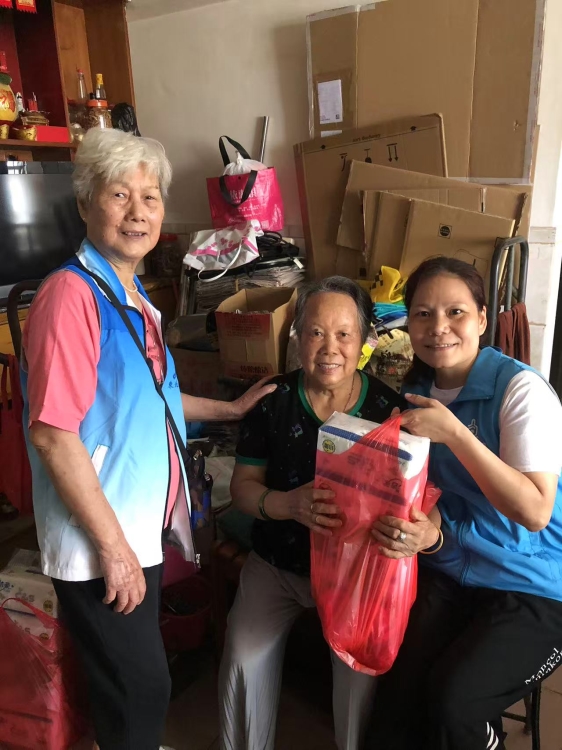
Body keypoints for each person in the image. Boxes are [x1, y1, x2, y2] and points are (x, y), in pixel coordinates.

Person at [20, 128, 274, 750]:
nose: (138, 211)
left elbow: (152, 398)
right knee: (141, 687)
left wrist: (230, 407)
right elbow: (53, 434)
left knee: (126, 684)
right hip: (98, 537)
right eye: (119, 195)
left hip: (133, 527)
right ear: (86, 203)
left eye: (150, 197)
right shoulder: (71, 296)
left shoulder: (130, 295)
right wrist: (114, 550)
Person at [218, 276, 442, 750]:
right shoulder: (272, 399)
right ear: (297, 337)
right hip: (278, 564)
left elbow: (424, 505)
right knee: (242, 658)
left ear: (364, 341)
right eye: (316, 333)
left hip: (356, 577)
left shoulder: (390, 411)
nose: (329, 348)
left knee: (360, 676)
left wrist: (423, 532)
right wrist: (288, 504)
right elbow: (242, 490)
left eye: (344, 334)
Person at [368, 257, 562, 750]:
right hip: (453, 567)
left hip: (534, 583)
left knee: (455, 702)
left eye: (455, 312)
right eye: (423, 314)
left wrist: (455, 434)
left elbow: (535, 512)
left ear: (481, 319)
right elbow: (433, 488)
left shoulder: (520, 390)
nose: (439, 327)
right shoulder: (416, 390)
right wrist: (424, 529)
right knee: (396, 692)